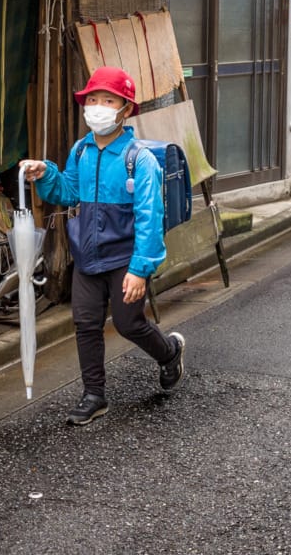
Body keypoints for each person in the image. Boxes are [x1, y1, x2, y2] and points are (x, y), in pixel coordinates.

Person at [20, 65, 186, 425]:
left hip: (125, 258)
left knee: (129, 324)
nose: (96, 106)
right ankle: (94, 395)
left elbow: (149, 216)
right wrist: (45, 174)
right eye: (92, 99)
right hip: (87, 256)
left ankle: (169, 351)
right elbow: (68, 192)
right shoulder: (81, 151)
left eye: (106, 100)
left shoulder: (139, 159)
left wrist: (140, 269)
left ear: (125, 108)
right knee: (86, 324)